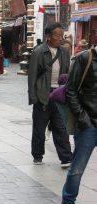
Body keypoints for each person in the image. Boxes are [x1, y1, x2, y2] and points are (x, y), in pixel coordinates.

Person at [28, 22, 72, 168]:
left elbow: (67, 74)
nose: (60, 38)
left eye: (62, 36)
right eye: (57, 35)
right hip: (43, 95)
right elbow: (32, 76)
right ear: (48, 36)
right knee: (39, 128)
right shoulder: (39, 52)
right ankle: (37, 155)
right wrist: (33, 98)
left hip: (59, 95)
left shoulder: (64, 52)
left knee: (61, 127)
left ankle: (66, 157)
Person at [61, 46, 97, 204]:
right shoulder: (85, 58)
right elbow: (70, 90)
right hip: (88, 123)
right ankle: (68, 203)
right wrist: (83, 118)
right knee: (77, 168)